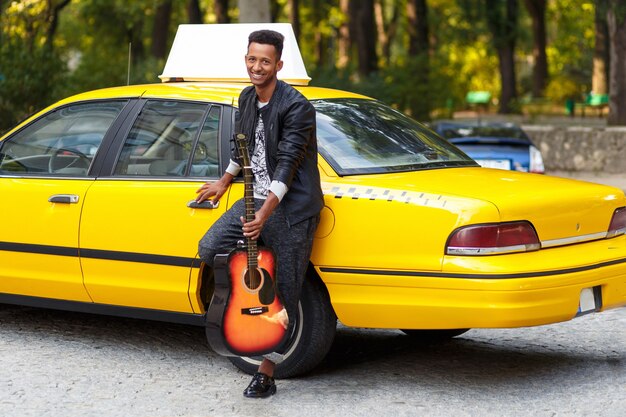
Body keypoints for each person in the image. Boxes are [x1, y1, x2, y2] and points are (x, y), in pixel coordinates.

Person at [195, 29, 324, 398]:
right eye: (252, 59)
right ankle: (246, 300)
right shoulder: (246, 98)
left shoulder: (297, 107)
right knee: (210, 247)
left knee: (285, 290)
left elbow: (287, 165)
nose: (257, 67)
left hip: (291, 208)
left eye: (265, 61)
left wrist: (265, 214)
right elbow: (245, 147)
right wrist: (224, 181)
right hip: (254, 202)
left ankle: (266, 372)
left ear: (278, 64)